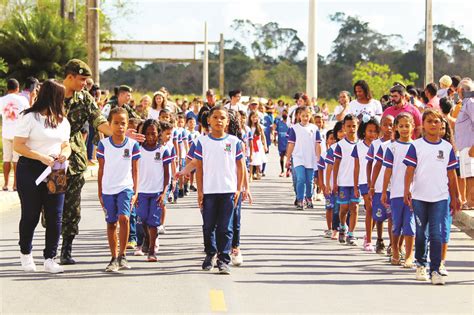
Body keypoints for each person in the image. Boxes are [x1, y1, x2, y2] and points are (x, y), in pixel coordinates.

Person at [60, 59, 144, 265]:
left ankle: (65, 248)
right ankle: (49, 245)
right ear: (69, 77)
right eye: (81, 80)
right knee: (49, 207)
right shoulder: (52, 93)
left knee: (72, 205)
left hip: (74, 157)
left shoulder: (85, 98)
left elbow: (99, 121)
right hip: (49, 154)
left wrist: (120, 132)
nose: (84, 84)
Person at [14, 79, 71, 273]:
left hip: (56, 170)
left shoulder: (62, 120)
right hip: (30, 169)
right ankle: (26, 254)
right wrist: (41, 157)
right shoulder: (29, 117)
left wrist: (65, 154)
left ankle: (49, 258)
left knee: (56, 216)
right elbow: (18, 145)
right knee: (31, 215)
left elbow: (66, 144)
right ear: (53, 96)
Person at [403, 109, 461, 285]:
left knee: (436, 233)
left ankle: (435, 269)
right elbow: (410, 170)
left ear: (441, 124)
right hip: (420, 196)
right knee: (421, 233)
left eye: (437, 121)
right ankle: (421, 264)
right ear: (423, 125)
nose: (433, 124)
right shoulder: (416, 146)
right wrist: (407, 190)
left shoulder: (447, 147)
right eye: (429, 121)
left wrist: (456, 196)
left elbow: (452, 175)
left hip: (440, 198)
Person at [195, 105, 245, 275]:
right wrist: (200, 191)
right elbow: (199, 168)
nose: (218, 121)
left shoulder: (234, 142)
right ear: (208, 120)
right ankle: (210, 254)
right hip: (209, 191)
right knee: (208, 226)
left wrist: (239, 188)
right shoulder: (201, 142)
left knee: (225, 227)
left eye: (222, 118)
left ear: (227, 121)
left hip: (228, 191)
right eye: (215, 117)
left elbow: (240, 167)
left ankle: (223, 260)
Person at [97, 107, 141, 272]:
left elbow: (135, 170)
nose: (120, 126)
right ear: (110, 124)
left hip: (126, 188)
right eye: (116, 123)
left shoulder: (132, 145)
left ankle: (122, 254)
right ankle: (114, 257)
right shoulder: (103, 145)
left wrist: (135, 191)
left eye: (123, 123)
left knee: (124, 218)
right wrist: (100, 191)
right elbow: (101, 170)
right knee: (111, 223)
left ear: (127, 124)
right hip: (108, 189)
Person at [381, 113, 416, 267]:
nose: (404, 129)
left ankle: (409, 255)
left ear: (413, 127)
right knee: (397, 224)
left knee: (410, 224)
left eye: (407, 126)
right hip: (395, 192)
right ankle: (395, 248)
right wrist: (383, 191)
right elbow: (387, 170)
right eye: (400, 126)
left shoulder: (417, 146)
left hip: (414, 193)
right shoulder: (392, 147)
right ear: (396, 128)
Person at [137, 119, 172, 262]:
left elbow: (166, 174)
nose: (150, 137)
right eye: (148, 133)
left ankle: (152, 251)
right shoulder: (138, 149)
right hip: (141, 191)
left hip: (157, 192)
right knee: (143, 219)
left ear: (159, 134)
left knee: (153, 222)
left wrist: (164, 192)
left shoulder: (163, 150)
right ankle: (147, 237)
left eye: (154, 133)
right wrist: (135, 191)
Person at [286, 107, 322, 210]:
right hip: (298, 158)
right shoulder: (294, 128)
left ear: (310, 116)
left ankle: (309, 198)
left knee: (309, 180)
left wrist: (318, 157)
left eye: (307, 115)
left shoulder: (314, 128)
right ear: (299, 116)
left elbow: (317, 144)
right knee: (301, 178)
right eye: (303, 116)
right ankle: (300, 200)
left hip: (310, 158)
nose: (305, 118)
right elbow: (291, 145)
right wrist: (288, 159)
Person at [352, 117, 379, 252]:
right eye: (369, 131)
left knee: (375, 211)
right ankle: (368, 240)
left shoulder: (380, 145)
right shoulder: (358, 146)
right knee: (370, 208)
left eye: (375, 131)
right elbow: (356, 167)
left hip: (377, 182)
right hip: (364, 181)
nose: (372, 134)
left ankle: (368, 234)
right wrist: (355, 185)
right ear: (363, 132)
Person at [333, 114, 360, 245]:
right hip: (343, 182)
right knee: (343, 208)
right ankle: (342, 227)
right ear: (343, 127)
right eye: (348, 126)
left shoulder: (361, 144)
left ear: (358, 126)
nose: (351, 129)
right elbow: (336, 165)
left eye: (354, 126)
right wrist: (335, 182)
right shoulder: (340, 145)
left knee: (354, 208)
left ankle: (351, 233)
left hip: (358, 183)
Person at [0, 78, 30, 191]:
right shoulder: (22, 100)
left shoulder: (2, 100)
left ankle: (5, 184)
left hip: (6, 133)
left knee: (6, 159)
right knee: (16, 160)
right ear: (18, 88)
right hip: (18, 133)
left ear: (7, 88)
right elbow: (28, 114)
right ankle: (16, 185)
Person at [454, 78, 474, 209]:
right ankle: (468, 200)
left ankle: (471, 201)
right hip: (464, 146)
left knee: (471, 175)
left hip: (470, 145)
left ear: (461, 90)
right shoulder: (465, 103)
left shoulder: (470, 102)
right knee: (467, 174)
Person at [324, 121, 346, 239]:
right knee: (337, 208)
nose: (343, 133)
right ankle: (335, 229)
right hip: (336, 183)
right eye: (340, 131)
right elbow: (329, 168)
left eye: (345, 130)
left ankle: (345, 227)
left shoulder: (354, 146)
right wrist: (328, 184)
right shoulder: (333, 148)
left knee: (348, 207)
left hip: (349, 182)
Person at [317, 130, 336, 237]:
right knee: (329, 208)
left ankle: (338, 228)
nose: (333, 141)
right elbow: (320, 170)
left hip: (338, 186)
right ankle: (329, 228)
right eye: (331, 138)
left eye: (335, 139)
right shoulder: (324, 155)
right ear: (327, 141)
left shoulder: (340, 153)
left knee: (338, 208)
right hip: (328, 186)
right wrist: (322, 184)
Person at [248, 111, 266, 180]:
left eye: (256, 117)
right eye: (253, 117)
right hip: (251, 144)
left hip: (258, 145)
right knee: (251, 160)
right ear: (250, 118)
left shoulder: (259, 126)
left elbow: (263, 136)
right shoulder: (248, 127)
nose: (254, 119)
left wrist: (265, 145)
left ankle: (258, 172)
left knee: (258, 159)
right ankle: (251, 174)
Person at [274, 109, 289, 177]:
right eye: (283, 113)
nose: (284, 114)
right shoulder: (279, 123)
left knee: (289, 157)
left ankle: (288, 171)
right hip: (281, 143)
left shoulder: (289, 124)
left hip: (288, 143)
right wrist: (274, 139)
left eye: (286, 113)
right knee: (281, 157)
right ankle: (282, 171)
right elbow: (276, 132)